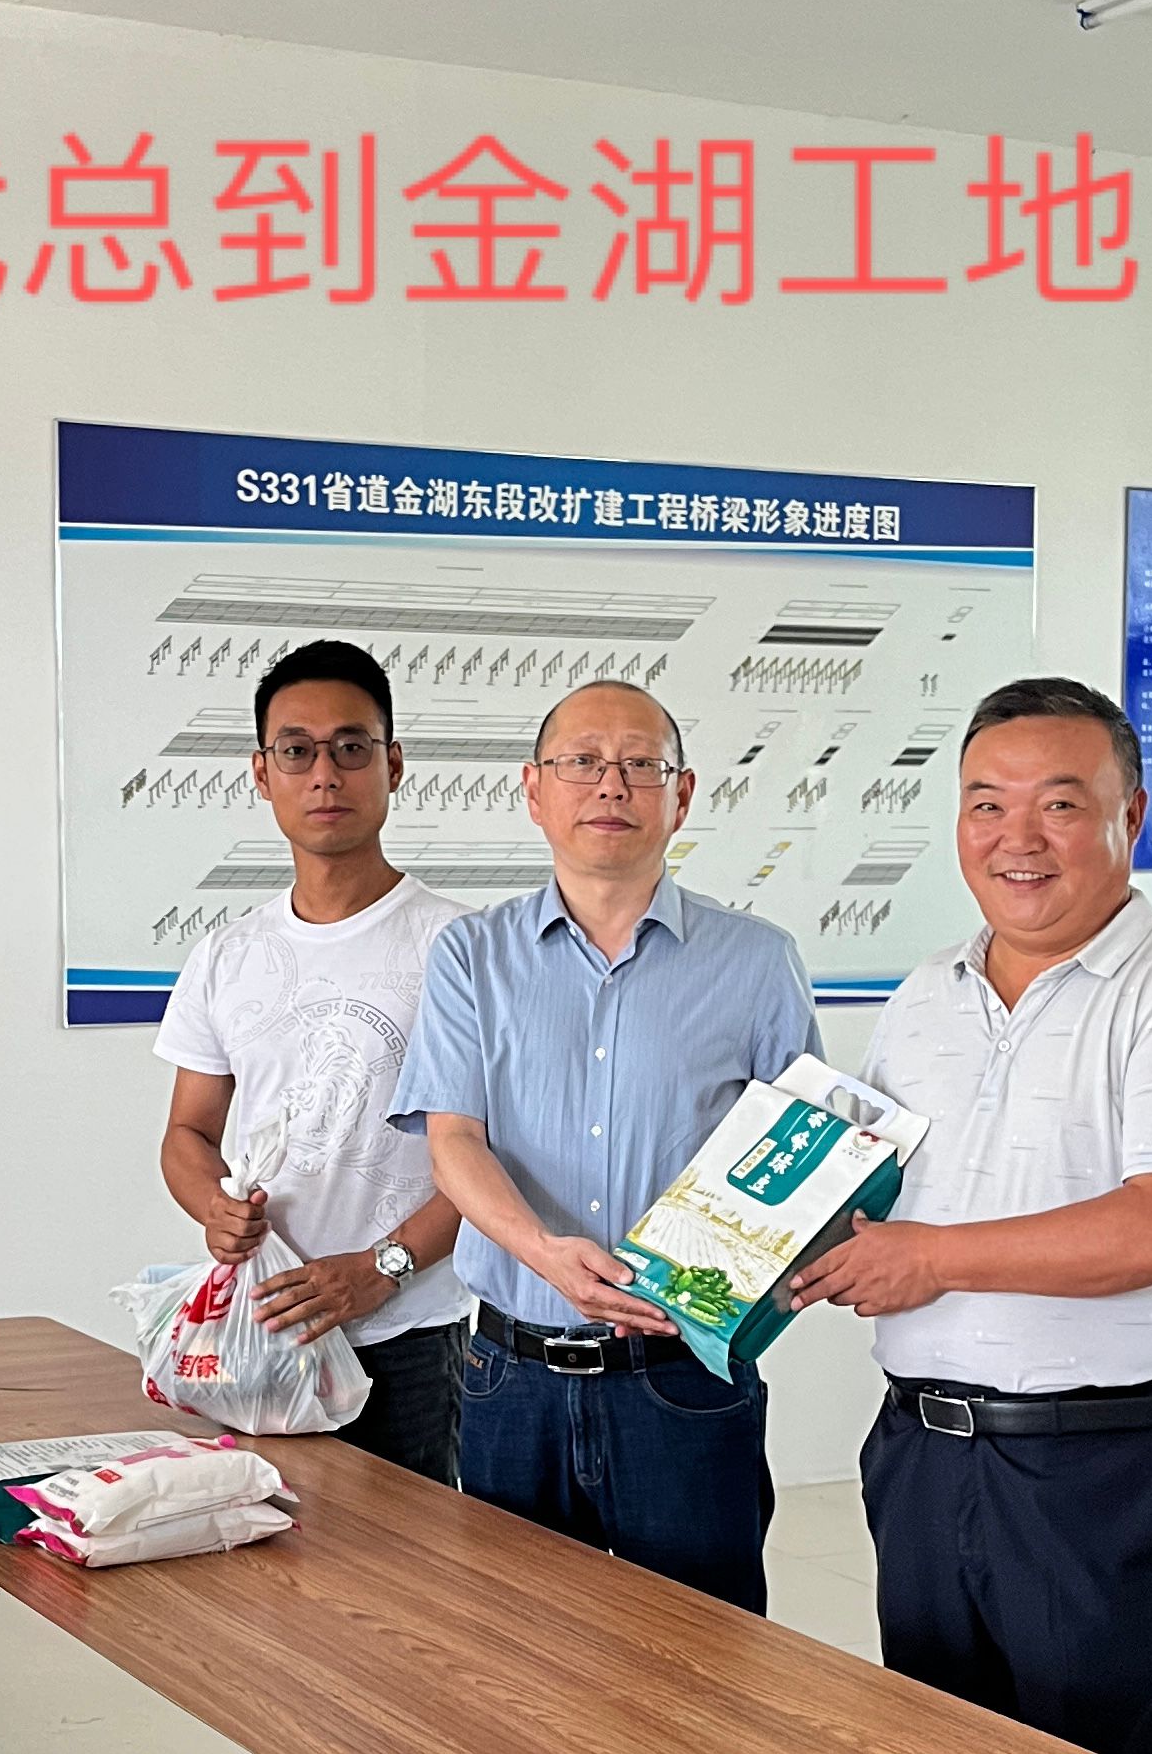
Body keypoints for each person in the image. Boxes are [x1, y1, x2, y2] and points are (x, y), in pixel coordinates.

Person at [792, 676, 1152, 1754]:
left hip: (1100, 1465)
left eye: (1059, 804)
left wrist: (930, 1260)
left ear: (1130, 815)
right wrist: (743, 1249)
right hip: (922, 1452)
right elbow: (868, 1194)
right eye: (986, 805)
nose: (1018, 838)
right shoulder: (924, 996)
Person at [396, 678, 816, 1611]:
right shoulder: (472, 956)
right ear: (534, 790)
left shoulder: (757, 961)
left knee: (701, 1655)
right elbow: (453, 1141)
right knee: (520, 1653)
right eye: (582, 762)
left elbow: (804, 1158)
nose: (611, 785)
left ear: (684, 794)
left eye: (640, 765)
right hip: (510, 1378)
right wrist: (544, 1253)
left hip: (684, 1375)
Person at [155, 639, 470, 1480]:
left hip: (408, 1335)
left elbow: (499, 1153)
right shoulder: (227, 954)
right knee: (257, 1550)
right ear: (263, 774)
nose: (325, 774)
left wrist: (384, 1269)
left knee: (406, 1560)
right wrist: (213, 1208)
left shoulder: (461, 948)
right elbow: (188, 1133)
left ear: (393, 765)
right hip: (258, 1324)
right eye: (297, 751)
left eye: (351, 748)